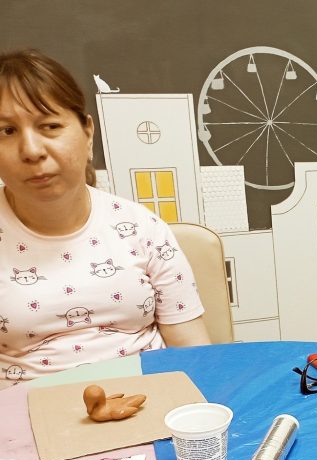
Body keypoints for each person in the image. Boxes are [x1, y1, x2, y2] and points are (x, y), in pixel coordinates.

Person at [0, 49, 210, 388]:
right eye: (6, 131)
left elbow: (194, 353)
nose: (32, 150)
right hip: (25, 409)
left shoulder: (141, 228)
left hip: (149, 398)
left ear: (87, 132)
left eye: (50, 126)